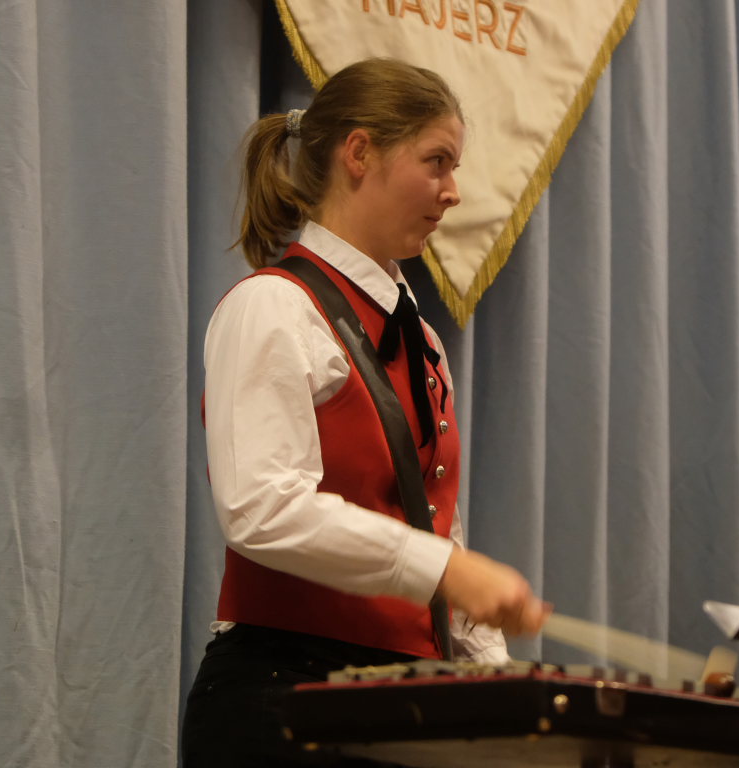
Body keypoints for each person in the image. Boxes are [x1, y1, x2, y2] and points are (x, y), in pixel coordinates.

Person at [181, 58, 549, 767]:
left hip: (400, 707)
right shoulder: (272, 306)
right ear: (359, 153)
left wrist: (497, 685)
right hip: (283, 698)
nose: (453, 191)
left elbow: (436, 525)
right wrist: (444, 568)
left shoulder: (423, 339)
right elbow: (261, 508)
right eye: (436, 162)